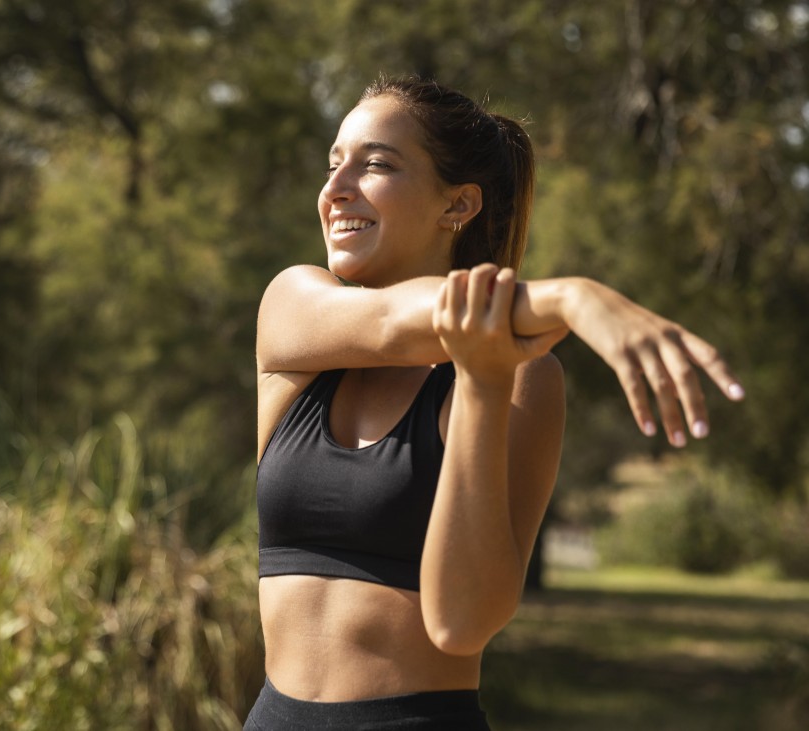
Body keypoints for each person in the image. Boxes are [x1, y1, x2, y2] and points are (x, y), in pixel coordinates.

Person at [245, 76, 744, 730]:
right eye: (334, 163)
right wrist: (573, 298)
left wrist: (481, 385)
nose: (336, 189)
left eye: (375, 165)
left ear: (458, 205)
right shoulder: (294, 310)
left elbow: (461, 623)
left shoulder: (522, 379)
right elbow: (393, 324)